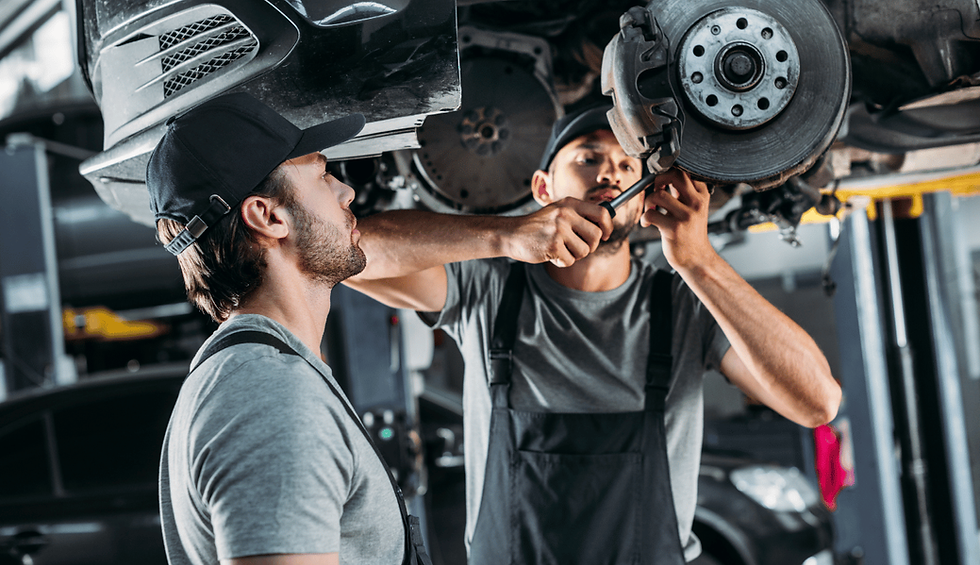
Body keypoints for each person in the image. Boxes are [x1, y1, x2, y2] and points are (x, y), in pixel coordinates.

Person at [344, 104, 842, 564]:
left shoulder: (684, 307)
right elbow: (348, 252)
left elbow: (816, 402)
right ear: (543, 188)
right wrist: (505, 234)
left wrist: (699, 260)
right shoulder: (488, 291)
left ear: (644, 197)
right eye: (587, 158)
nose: (610, 172)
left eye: (628, 166)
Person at [149, 92, 430, 565]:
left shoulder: (254, 374)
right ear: (268, 216)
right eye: (321, 174)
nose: (346, 191)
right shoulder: (268, 397)